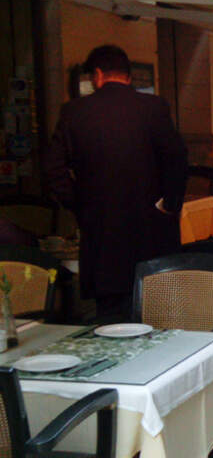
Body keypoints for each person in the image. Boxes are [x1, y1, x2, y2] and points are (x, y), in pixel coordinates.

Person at [44, 45, 187, 321]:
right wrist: (170, 204)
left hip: (102, 235)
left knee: (110, 319)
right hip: (151, 232)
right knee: (157, 317)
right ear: (128, 76)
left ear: (97, 75)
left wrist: (78, 204)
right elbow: (177, 159)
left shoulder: (74, 111)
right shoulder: (154, 107)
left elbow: (53, 169)